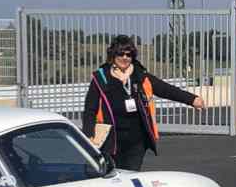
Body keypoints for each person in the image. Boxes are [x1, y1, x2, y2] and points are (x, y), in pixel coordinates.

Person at [82, 34, 205, 171]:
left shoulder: (140, 75)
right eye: (120, 53)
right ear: (113, 55)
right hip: (111, 140)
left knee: (131, 174)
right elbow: (90, 109)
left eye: (128, 54)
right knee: (113, 178)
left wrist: (192, 99)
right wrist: (89, 134)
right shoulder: (101, 78)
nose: (124, 58)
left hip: (137, 140)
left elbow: (165, 89)